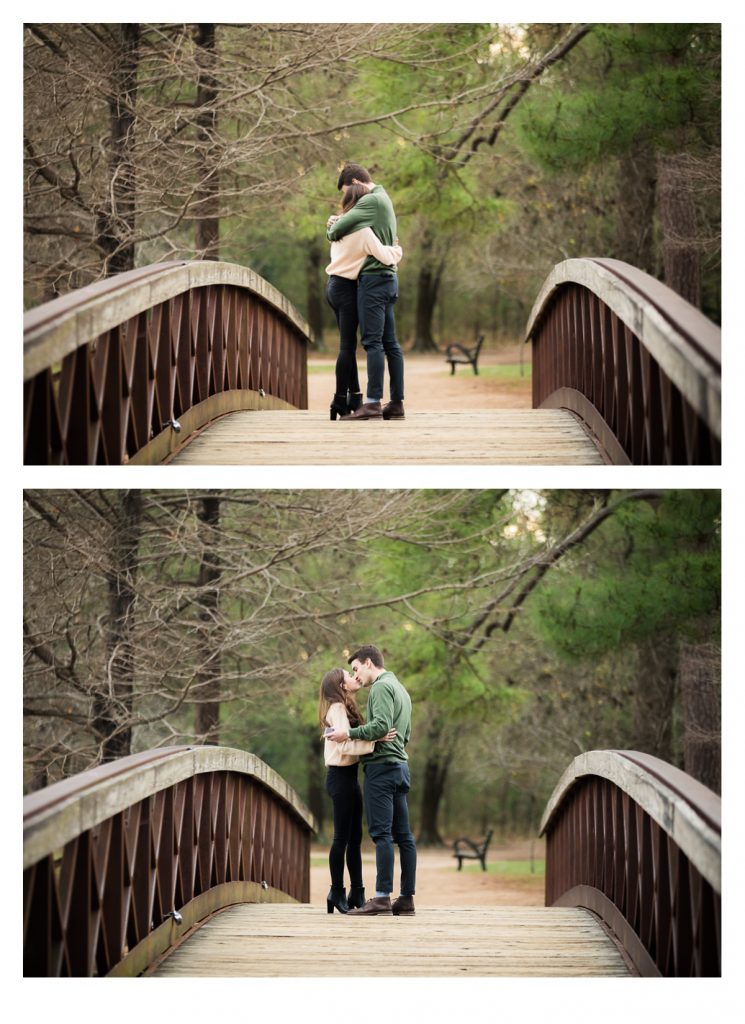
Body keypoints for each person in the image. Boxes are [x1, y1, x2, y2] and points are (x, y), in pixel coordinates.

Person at [326, 644, 417, 916]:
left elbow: (379, 727)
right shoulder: (400, 688)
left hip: (381, 770)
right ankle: (406, 898)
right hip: (401, 766)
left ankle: (380, 898)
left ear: (368, 663)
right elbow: (406, 732)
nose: (356, 676)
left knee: (382, 835)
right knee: (405, 836)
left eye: (356, 669)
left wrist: (349, 735)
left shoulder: (379, 687)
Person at [326, 163, 406, 421]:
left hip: (372, 281)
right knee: (390, 343)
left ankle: (371, 403)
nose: (348, 197)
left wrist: (333, 224)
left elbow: (335, 231)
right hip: (389, 279)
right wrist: (396, 251)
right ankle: (396, 403)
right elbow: (384, 249)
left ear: (356, 182)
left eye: (347, 189)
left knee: (372, 342)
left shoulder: (370, 202)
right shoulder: (384, 199)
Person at [318, 667, 396, 914]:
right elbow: (344, 747)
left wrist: (374, 737)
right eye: (348, 676)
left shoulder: (345, 707)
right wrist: (376, 741)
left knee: (354, 840)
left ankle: (358, 891)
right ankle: (337, 890)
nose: (354, 678)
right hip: (340, 777)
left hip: (349, 778)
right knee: (341, 838)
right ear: (341, 685)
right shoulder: (337, 708)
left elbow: (351, 738)